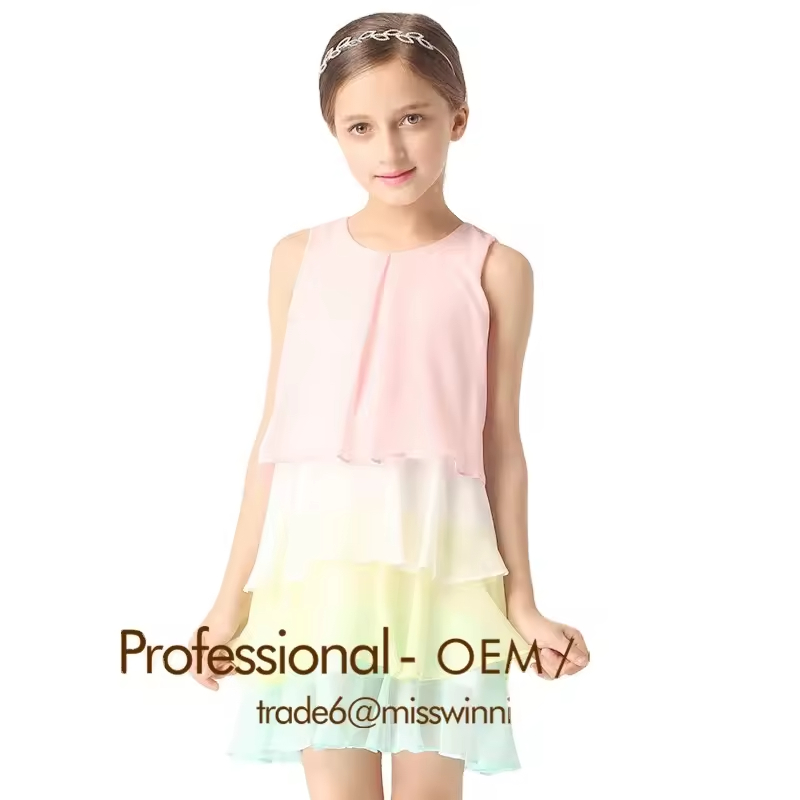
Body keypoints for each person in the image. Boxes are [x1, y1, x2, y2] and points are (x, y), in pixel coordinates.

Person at [187, 11, 590, 800]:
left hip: (442, 568)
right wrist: (227, 603)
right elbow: (274, 439)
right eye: (361, 128)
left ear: (458, 118)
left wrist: (524, 604)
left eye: (413, 119)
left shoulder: (496, 269)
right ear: (333, 132)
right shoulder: (297, 258)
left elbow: (500, 446)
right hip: (321, 575)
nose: (390, 151)